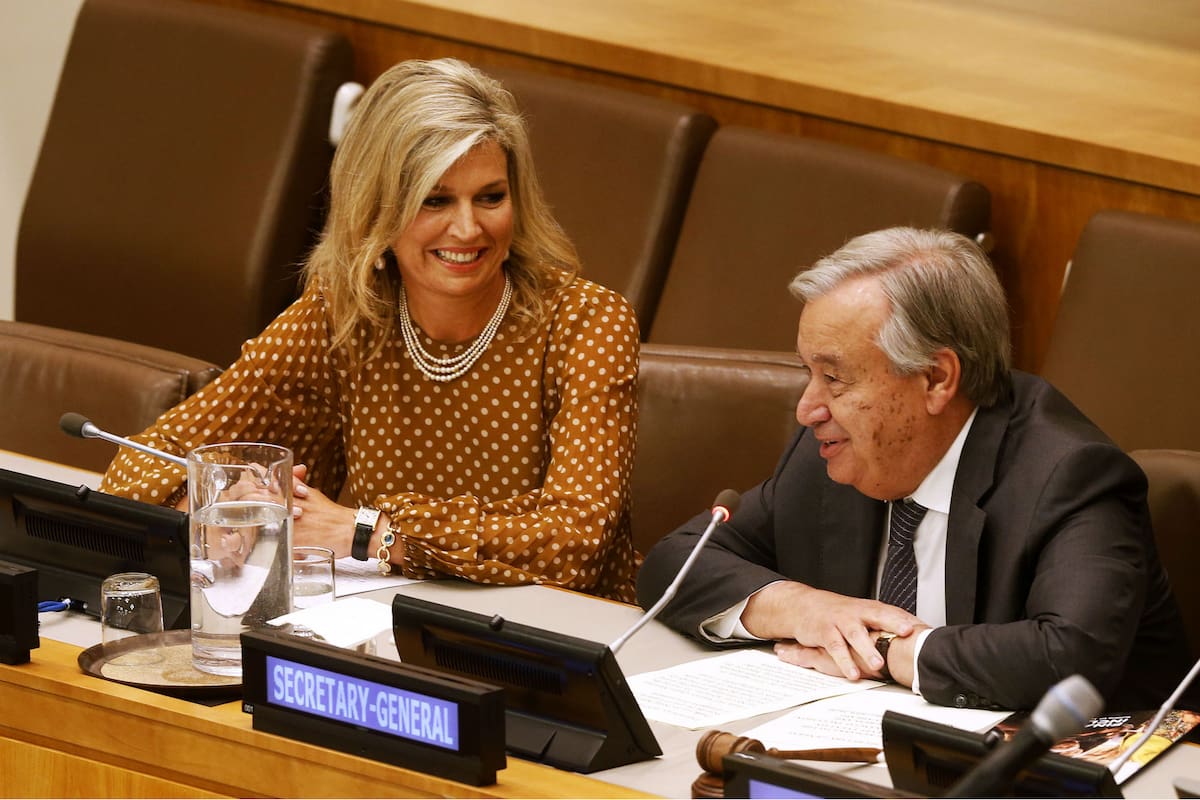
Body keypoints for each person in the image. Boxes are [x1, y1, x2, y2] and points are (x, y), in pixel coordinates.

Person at [99, 58, 640, 602]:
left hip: (550, 641)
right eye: (436, 199)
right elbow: (145, 461)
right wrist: (214, 510)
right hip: (377, 626)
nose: (469, 227)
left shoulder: (586, 323)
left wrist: (370, 533)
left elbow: (575, 542)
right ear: (377, 207)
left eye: (491, 197)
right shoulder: (343, 313)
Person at [637, 227, 1194, 710]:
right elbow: (674, 562)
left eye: (835, 378)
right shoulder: (835, 451)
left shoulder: (1071, 476)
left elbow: (1068, 657)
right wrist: (804, 608)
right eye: (808, 372)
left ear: (935, 379)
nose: (808, 408)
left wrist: (883, 650)